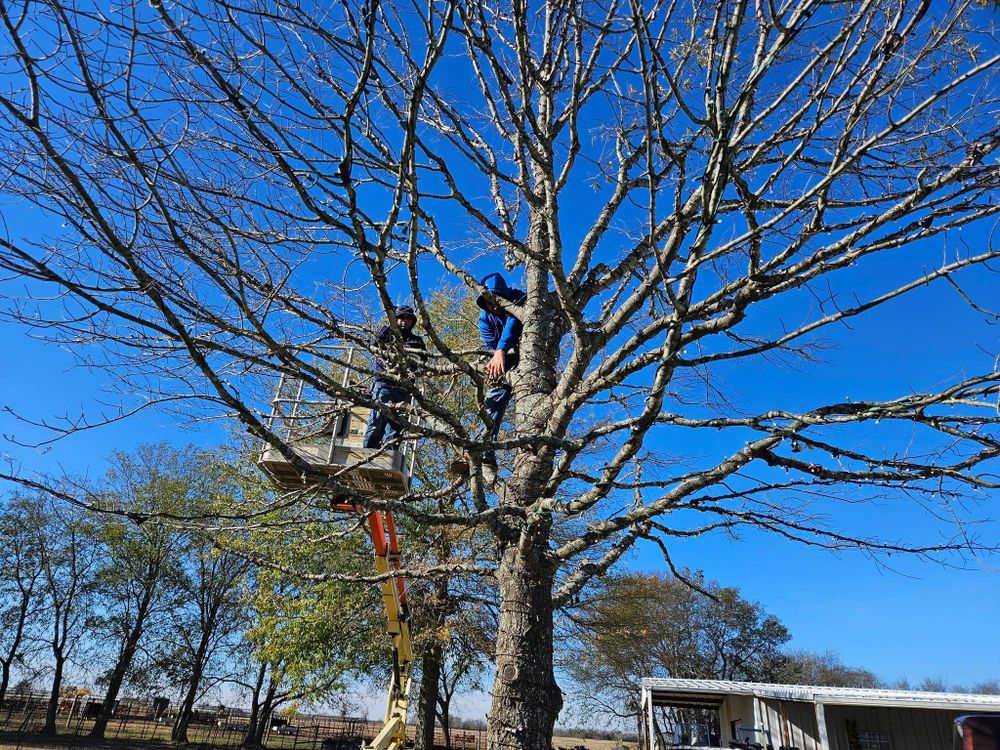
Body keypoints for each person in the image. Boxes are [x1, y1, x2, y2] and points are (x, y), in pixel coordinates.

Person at [474, 272, 525, 467]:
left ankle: (483, 447)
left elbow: (514, 320)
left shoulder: (520, 297)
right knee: (494, 395)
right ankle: (485, 449)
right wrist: (497, 361)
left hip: (527, 352)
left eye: (498, 301)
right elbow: (491, 346)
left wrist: (501, 349)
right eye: (489, 302)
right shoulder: (484, 320)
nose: (494, 307)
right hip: (508, 358)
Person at [363, 305, 426, 449]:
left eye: (409, 319)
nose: (405, 321)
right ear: (395, 319)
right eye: (402, 318)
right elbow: (374, 346)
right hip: (384, 383)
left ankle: (389, 454)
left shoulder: (417, 341)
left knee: (397, 425)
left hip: (405, 386)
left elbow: (422, 361)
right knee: (377, 419)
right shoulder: (386, 333)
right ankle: (369, 451)